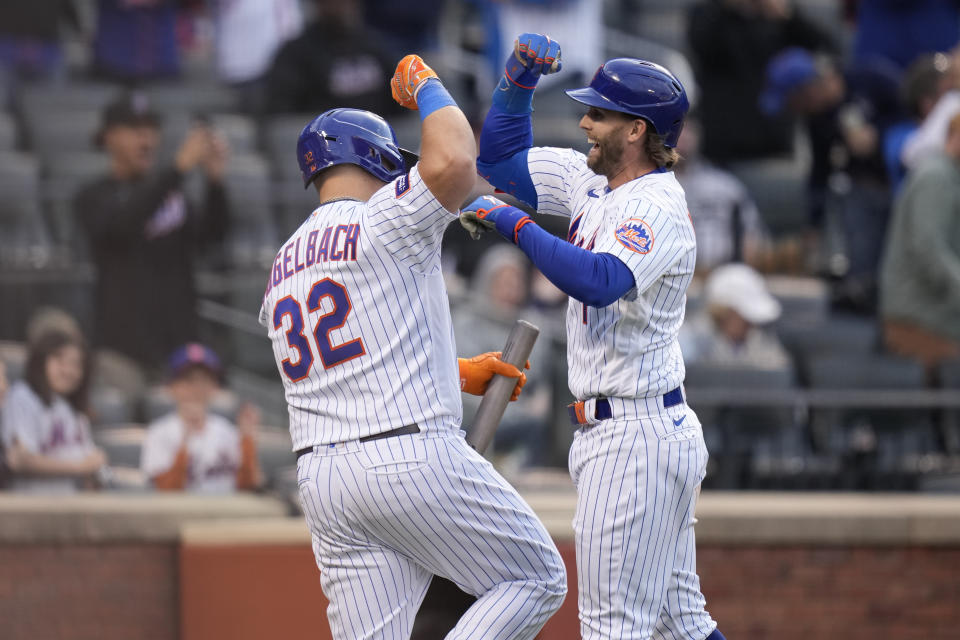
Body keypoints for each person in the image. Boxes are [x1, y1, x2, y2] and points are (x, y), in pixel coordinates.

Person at [259, 56, 566, 638]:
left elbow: (340, 370)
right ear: (374, 158)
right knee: (534, 578)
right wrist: (422, 79)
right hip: (406, 458)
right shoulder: (384, 216)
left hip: (324, 479)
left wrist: (450, 374)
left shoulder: (281, 265)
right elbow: (454, 157)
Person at [467, 33, 725, 640]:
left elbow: (600, 280)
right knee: (679, 620)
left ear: (636, 130)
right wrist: (518, 80)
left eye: (599, 114)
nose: (584, 121)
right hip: (637, 429)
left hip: (633, 434)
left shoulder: (658, 202)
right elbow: (500, 162)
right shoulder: (594, 183)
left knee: (614, 628)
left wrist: (514, 223)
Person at [74, 92, 230, 372]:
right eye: (134, 130)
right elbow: (120, 230)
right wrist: (177, 169)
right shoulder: (93, 196)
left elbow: (209, 241)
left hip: (178, 348)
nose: (146, 139)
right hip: (121, 349)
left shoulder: (173, 195)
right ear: (108, 137)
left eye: (151, 129)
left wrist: (215, 184)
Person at [760, 47, 901, 311]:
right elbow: (820, 174)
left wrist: (880, 136)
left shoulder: (868, 78)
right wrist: (813, 224)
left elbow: (917, 112)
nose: (793, 110)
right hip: (865, 194)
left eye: (793, 101)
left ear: (808, 90)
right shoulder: (818, 120)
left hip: (904, 185)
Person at [687, 0, 837, 163]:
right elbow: (702, 44)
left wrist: (789, 16)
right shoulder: (707, 14)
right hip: (723, 146)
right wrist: (727, 8)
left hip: (774, 144)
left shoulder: (778, 17)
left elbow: (827, 50)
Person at [879, 111, 960, 378]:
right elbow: (929, 249)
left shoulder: (951, 176)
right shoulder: (935, 176)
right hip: (918, 315)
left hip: (938, 312)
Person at [141, 343, 262, 492]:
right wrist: (185, 440)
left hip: (227, 512)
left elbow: (247, 487)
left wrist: (248, 439)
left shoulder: (227, 431)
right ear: (172, 386)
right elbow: (164, 492)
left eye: (205, 380)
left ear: (215, 387)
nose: (197, 387)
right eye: (189, 380)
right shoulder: (159, 433)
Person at [1, 330, 107, 493]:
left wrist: (93, 471)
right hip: (32, 507)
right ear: (41, 360)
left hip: (70, 506)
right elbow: (19, 460)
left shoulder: (74, 410)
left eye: (76, 364)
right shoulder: (23, 396)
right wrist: (80, 466)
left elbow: (92, 465)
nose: (68, 370)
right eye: (60, 360)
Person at [264, 0, 403, 116]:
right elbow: (284, 116)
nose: (343, 7)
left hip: (377, 139)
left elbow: (401, 105)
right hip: (324, 141)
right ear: (319, 5)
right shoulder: (296, 53)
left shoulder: (374, 45)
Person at [675, 116, 771, 273]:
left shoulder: (725, 186)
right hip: (668, 277)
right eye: (678, 129)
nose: (684, 136)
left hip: (722, 276)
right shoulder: (647, 188)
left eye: (689, 129)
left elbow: (754, 238)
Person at [680, 263, 791, 369]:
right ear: (722, 313)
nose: (751, 324)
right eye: (745, 318)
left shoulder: (761, 344)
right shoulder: (687, 344)